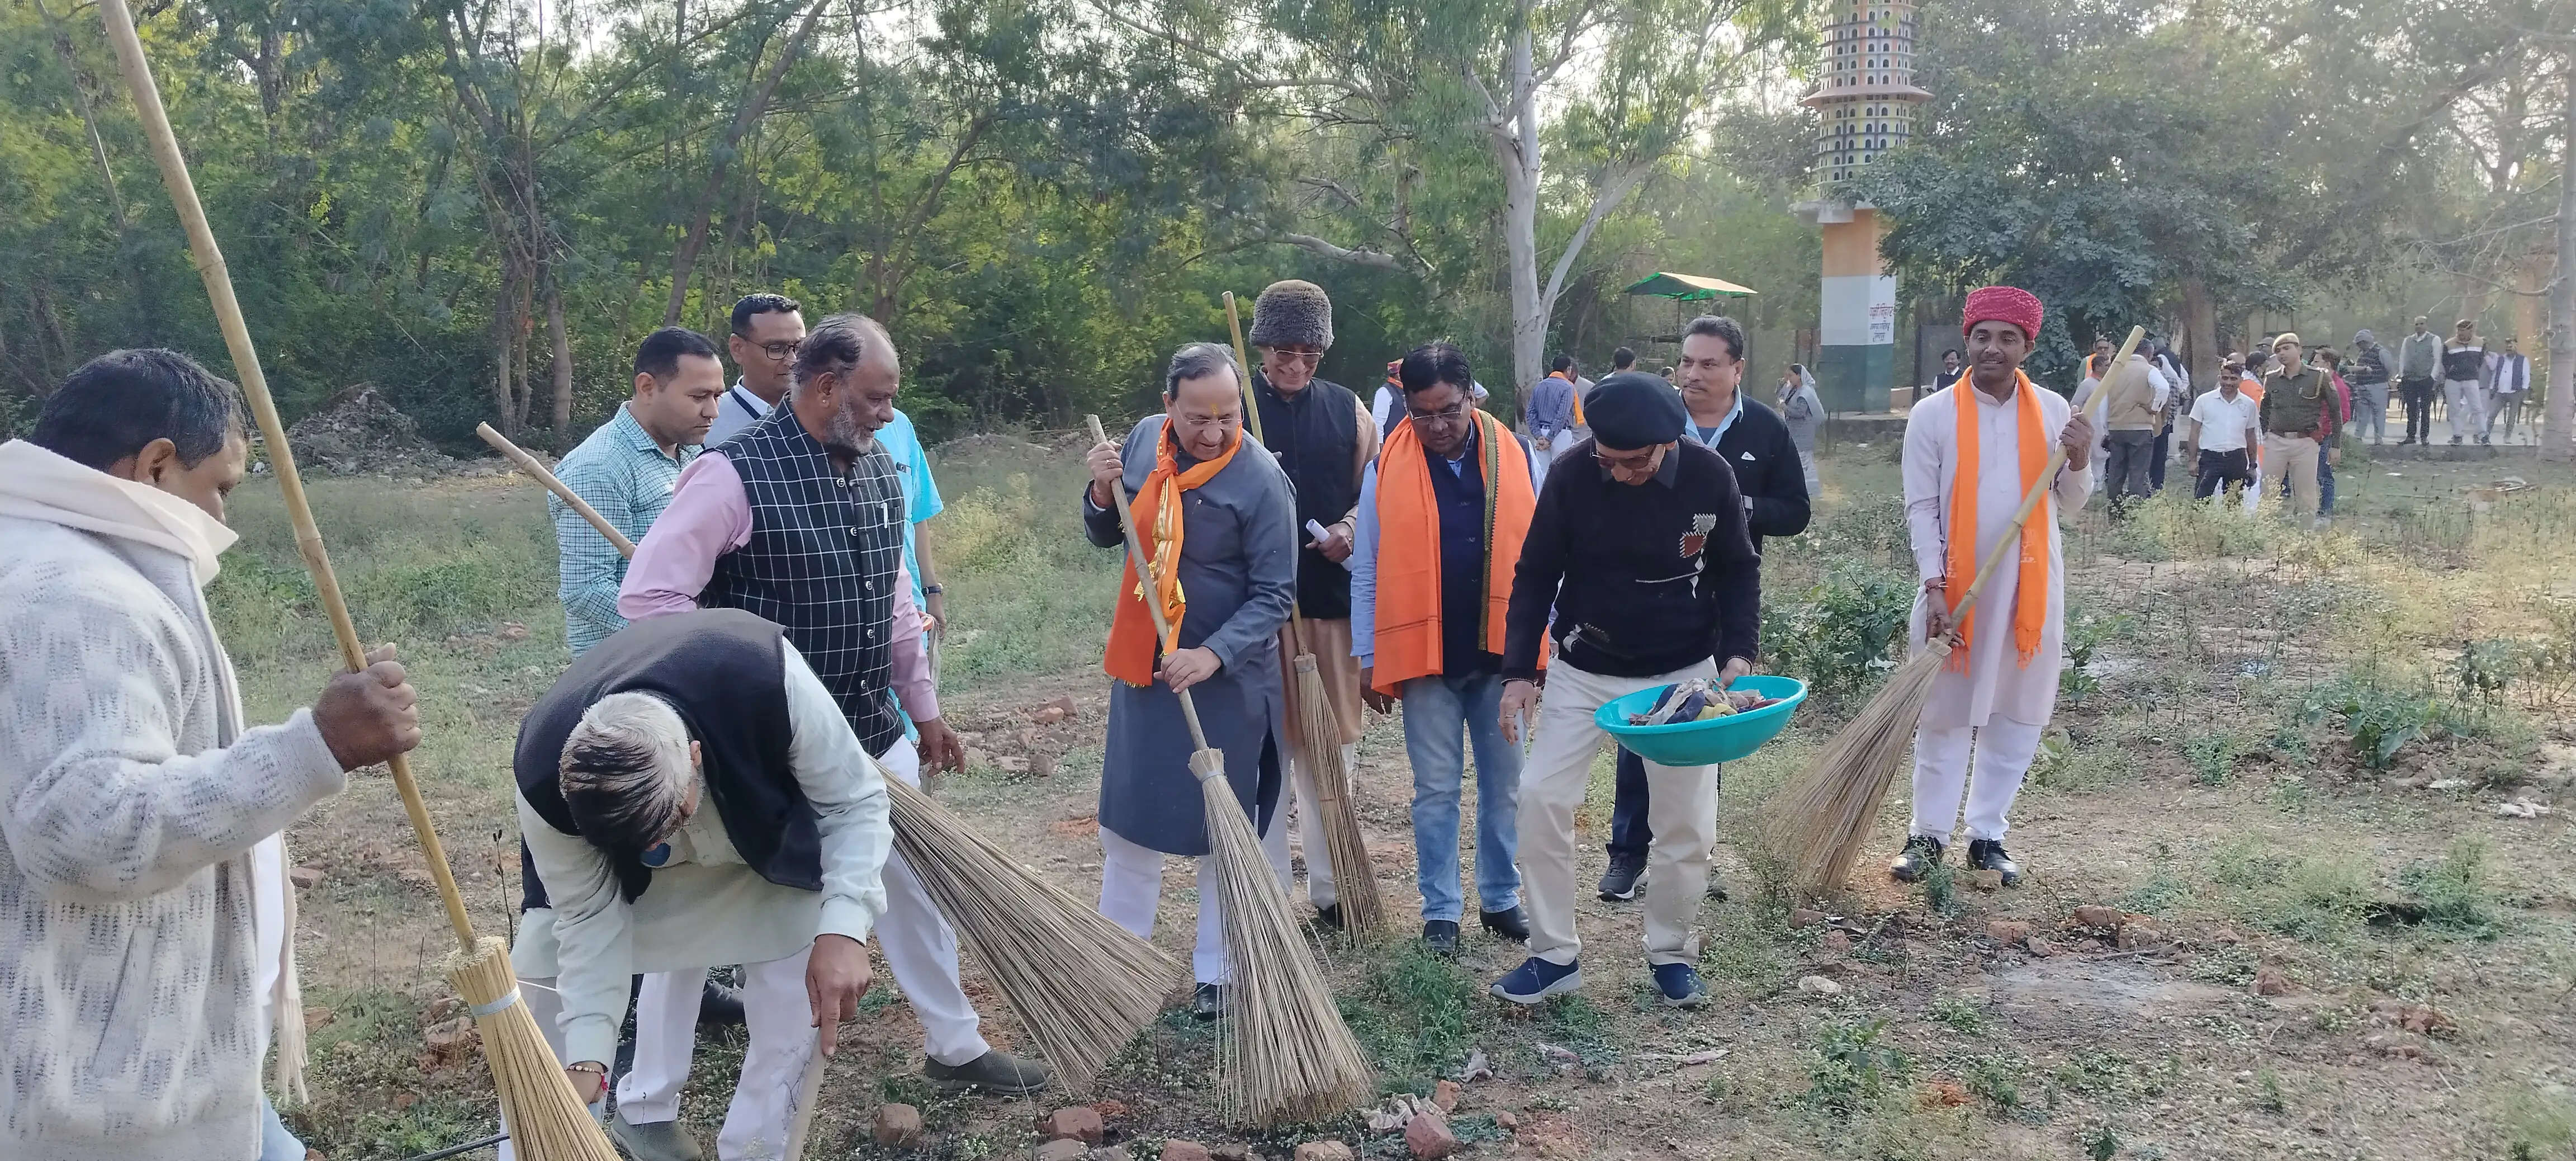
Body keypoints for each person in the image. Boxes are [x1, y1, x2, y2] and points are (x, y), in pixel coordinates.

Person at [617, 313, 1051, 1139]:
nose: (890, 412)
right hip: (766, 760)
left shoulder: (881, 467)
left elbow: (895, 606)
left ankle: (955, 1043)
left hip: (872, 732)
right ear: (824, 388)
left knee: (916, 888)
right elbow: (650, 602)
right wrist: (727, 698)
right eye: (878, 396)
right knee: (717, 930)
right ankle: (650, 1105)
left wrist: (921, 712)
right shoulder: (728, 477)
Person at [1, 350, 421, 1161]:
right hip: (97, 1094)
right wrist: (318, 746)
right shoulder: (78, 594)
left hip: (124, 1061)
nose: (225, 520)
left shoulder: (51, 560)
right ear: (157, 465)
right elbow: (85, 829)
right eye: (221, 485)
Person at [510, 611, 889, 1161]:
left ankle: (758, 1149)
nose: (652, 849)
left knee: (800, 980)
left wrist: (847, 927)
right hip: (619, 892)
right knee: (544, 991)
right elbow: (589, 919)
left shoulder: (766, 681)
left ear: (694, 757)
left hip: (758, 847)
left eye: (671, 821)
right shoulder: (546, 776)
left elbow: (856, 802)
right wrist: (589, 1059)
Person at [1490, 372, 1763, 1009]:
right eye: (1606, 460)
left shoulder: (1709, 475)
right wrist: (1518, 676)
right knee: (1540, 798)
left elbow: (1738, 568)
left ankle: (1671, 952)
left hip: (1681, 672)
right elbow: (1533, 576)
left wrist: (1739, 654)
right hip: (1586, 664)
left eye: (1632, 462)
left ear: (1667, 445)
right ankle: (1554, 955)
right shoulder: (1573, 474)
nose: (1617, 472)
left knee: (1687, 825)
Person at [533, 325, 743, 1142]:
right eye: (698, 395)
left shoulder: (692, 463)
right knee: (624, 853)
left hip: (679, 683)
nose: (712, 409)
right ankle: (609, 1020)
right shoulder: (596, 469)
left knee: (684, 837)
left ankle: (691, 975)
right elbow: (587, 593)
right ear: (647, 386)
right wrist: (657, 588)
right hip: (618, 691)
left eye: (718, 395)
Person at [1081, 342, 1298, 1016]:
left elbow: (1275, 593)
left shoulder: (1262, 480)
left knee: (1222, 834)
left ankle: (1220, 975)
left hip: (1228, 685)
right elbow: (1107, 532)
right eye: (1197, 416)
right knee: (1133, 823)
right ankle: (1120, 967)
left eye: (1227, 416)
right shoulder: (1146, 443)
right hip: (1148, 671)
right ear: (1168, 405)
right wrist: (1097, 489)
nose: (1212, 432)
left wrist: (1212, 654)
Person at [1888, 286, 2095, 889]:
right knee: (1945, 713)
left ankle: (1987, 837)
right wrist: (1934, 587)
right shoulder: (1933, 416)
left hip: (2030, 591)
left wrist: (2080, 459)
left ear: (2027, 346)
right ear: (1967, 341)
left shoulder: (2056, 411)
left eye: (2008, 338)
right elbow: (1921, 507)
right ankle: (1927, 836)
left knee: (2016, 714)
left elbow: (2075, 504)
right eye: (1983, 336)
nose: (1993, 349)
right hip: (1955, 589)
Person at [1597, 316, 1807, 904]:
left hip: (1723, 602)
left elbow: (1796, 510)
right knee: (1648, 725)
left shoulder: (1765, 428)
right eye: (1686, 362)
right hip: (1654, 602)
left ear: (1738, 369)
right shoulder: (1652, 418)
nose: (1692, 374)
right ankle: (1626, 856)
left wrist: (1737, 504)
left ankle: (1694, 858)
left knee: (1706, 729)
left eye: (1708, 364)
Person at [1351, 342, 1538, 955]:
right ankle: (1441, 911)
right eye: (1421, 413)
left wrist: (1542, 644)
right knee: (1435, 789)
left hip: (1502, 656)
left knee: (1505, 785)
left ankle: (1501, 898)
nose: (1435, 427)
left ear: (1471, 395)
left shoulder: (1513, 453)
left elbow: (1541, 557)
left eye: (1448, 412)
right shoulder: (1387, 465)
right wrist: (1365, 653)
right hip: (1424, 655)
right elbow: (1369, 564)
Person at [1243, 279, 1377, 926]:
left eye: (1309, 353)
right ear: (1261, 347)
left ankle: (1334, 892)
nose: (1294, 365)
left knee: (1332, 749)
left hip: (1328, 605)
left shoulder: (1349, 410)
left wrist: (1349, 529)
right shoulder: (1230, 409)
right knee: (1265, 750)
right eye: (1282, 350)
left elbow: (1371, 496)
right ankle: (1268, 896)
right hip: (1252, 618)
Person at [2070, 344, 2165, 520]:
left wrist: (2107, 426)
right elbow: (2164, 388)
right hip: (2140, 428)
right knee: (2137, 473)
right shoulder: (2148, 369)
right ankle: (2135, 516)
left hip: (2116, 429)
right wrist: (2154, 408)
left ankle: (2114, 514)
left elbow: (2105, 401)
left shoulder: (2115, 370)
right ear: (2149, 353)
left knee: (2116, 472)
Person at [2259, 333, 2340, 526]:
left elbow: (2336, 412)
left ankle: (2304, 538)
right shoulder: (2271, 379)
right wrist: (2264, 435)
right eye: (2278, 351)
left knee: (2305, 494)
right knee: (2268, 490)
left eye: (2287, 348)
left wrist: (2335, 446)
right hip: (2276, 441)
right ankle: (2263, 532)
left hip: (2306, 442)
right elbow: (2264, 410)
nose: (2282, 354)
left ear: (2300, 349)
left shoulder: (2319, 377)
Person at [706, 293, 805, 447]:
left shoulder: (825, 419)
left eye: (801, 347)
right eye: (777, 349)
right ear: (737, 348)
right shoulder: (707, 425)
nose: (793, 360)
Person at [2181, 360, 2261, 505]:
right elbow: (2194, 433)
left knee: (2234, 503)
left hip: (2237, 459)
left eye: (2233, 379)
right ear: (2219, 378)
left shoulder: (2248, 404)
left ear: (2241, 380)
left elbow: (2250, 436)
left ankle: (2230, 528)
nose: (2228, 383)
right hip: (2210, 458)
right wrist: (2192, 461)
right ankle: (2199, 527)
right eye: (2225, 378)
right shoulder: (2204, 401)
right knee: (2201, 502)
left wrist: (2253, 465)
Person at [2310, 347, 2353, 515]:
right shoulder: (2318, 382)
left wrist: (2324, 428)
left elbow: (2344, 415)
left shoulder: (2338, 386)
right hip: (2313, 436)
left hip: (2325, 437)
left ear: (2327, 364)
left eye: (2316, 361)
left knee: (2323, 474)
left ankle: (2325, 510)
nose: (2312, 364)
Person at [1524, 355, 1578, 487]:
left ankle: (1542, 505)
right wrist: (1550, 438)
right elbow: (1562, 415)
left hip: (1541, 434)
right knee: (1562, 473)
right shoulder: (1568, 387)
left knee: (1542, 474)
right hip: (1560, 434)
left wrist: (1539, 436)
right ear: (1568, 369)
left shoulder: (1540, 386)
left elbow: (1530, 413)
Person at [1778, 362, 1825, 497]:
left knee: (1804, 460)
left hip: (1804, 431)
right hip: (1795, 431)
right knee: (1796, 459)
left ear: (1799, 376)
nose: (1790, 378)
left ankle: (1811, 491)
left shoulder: (1806, 392)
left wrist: (1784, 408)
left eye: (1791, 376)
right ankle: (1798, 489)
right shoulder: (1794, 390)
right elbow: (1783, 396)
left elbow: (1800, 412)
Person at [2442, 320, 2489, 445]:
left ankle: (2483, 435)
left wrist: (2473, 370)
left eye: (2463, 330)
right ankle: (2458, 436)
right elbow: (2445, 362)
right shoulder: (2449, 344)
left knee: (2477, 408)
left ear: (2471, 330)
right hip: (2453, 380)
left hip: (2471, 379)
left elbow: (2480, 361)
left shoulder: (2480, 343)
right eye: (2458, 330)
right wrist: (2451, 371)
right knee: (2454, 409)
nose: (2460, 333)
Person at [2395, 316, 2441, 445]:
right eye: (2416, 324)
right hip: (2409, 378)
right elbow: (2402, 358)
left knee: (2425, 408)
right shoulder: (2408, 340)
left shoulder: (2434, 340)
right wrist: (2402, 375)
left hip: (2426, 378)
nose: (2419, 326)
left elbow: (2437, 359)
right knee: (2410, 408)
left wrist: (2432, 377)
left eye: (2421, 324)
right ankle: (2410, 436)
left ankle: (2424, 437)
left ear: (2426, 325)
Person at [2345, 329, 2392, 445]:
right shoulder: (2362, 354)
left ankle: (2379, 437)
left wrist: (2382, 379)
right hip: (2362, 387)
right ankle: (2359, 435)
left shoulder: (2381, 352)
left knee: (2378, 413)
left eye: (2359, 343)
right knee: (2362, 413)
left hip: (2378, 387)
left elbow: (2389, 369)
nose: (2358, 346)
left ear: (2365, 342)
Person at [2485, 338, 2531, 443]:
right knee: (2492, 414)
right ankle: (2486, 435)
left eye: (2511, 347)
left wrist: (2524, 389)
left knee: (2512, 416)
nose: (2509, 349)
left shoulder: (2523, 360)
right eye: (2507, 347)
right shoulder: (2501, 359)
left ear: (2516, 347)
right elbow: (2496, 374)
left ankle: (2507, 437)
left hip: (2516, 392)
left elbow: (2526, 376)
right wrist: (2492, 387)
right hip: (2500, 392)